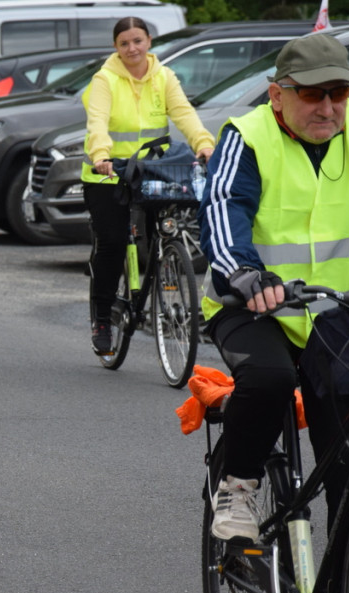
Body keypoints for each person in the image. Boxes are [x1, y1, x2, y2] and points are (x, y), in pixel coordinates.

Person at [200, 33, 349, 593]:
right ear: (279, 95)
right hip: (253, 305)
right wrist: (243, 273)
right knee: (271, 381)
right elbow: (224, 209)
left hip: (338, 311)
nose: (329, 107)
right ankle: (238, 490)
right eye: (313, 95)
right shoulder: (246, 134)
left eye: (338, 93)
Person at [81, 16, 214, 356]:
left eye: (137, 41)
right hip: (107, 174)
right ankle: (102, 318)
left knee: (159, 237)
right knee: (112, 243)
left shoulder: (164, 76)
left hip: (151, 172)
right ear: (116, 47)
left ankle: (155, 284)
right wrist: (100, 154)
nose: (132, 48)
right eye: (124, 43)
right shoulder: (104, 79)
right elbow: (97, 122)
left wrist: (203, 143)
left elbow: (184, 114)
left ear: (149, 41)